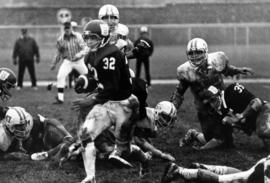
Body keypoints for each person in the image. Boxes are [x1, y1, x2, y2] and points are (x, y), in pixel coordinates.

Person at [71, 19, 140, 183]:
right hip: (107, 102)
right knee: (85, 135)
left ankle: (143, 158)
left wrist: (91, 100)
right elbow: (97, 79)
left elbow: (113, 87)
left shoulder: (111, 53)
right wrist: (84, 82)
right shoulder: (90, 55)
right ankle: (90, 176)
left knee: (124, 145)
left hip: (124, 103)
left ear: (103, 37)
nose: (89, 41)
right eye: (86, 38)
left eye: (93, 37)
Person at [170, 38, 253, 150]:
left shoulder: (216, 60)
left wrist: (238, 70)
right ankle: (194, 134)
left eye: (198, 52)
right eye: (191, 53)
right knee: (214, 140)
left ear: (205, 51)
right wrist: (172, 108)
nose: (195, 56)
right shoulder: (186, 71)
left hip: (223, 103)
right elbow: (179, 92)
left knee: (228, 140)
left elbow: (226, 69)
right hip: (205, 109)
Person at [180, 83, 270, 150]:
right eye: (209, 103)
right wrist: (203, 149)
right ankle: (194, 134)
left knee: (262, 131)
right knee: (226, 143)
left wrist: (241, 115)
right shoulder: (218, 113)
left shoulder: (232, 91)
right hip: (253, 123)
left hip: (264, 110)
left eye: (213, 100)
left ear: (219, 94)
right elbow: (218, 139)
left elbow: (257, 102)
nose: (212, 105)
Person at [0, 106, 73, 161]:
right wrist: (9, 156)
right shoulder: (3, 137)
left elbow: (50, 121)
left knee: (51, 132)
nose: (24, 129)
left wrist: (67, 134)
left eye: (24, 125)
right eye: (20, 127)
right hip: (15, 142)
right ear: (11, 127)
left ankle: (64, 148)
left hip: (35, 142)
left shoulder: (29, 120)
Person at [50, 21, 88, 104]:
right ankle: (60, 99)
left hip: (79, 61)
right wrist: (54, 63)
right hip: (68, 61)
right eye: (66, 28)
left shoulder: (78, 36)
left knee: (88, 75)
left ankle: (94, 95)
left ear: (71, 28)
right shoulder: (61, 39)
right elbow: (59, 52)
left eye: (68, 28)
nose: (67, 30)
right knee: (60, 76)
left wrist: (79, 55)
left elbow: (85, 48)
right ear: (64, 29)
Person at [161, 155, 270, 183]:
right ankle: (178, 171)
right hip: (266, 170)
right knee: (226, 180)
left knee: (243, 176)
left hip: (265, 165)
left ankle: (207, 168)